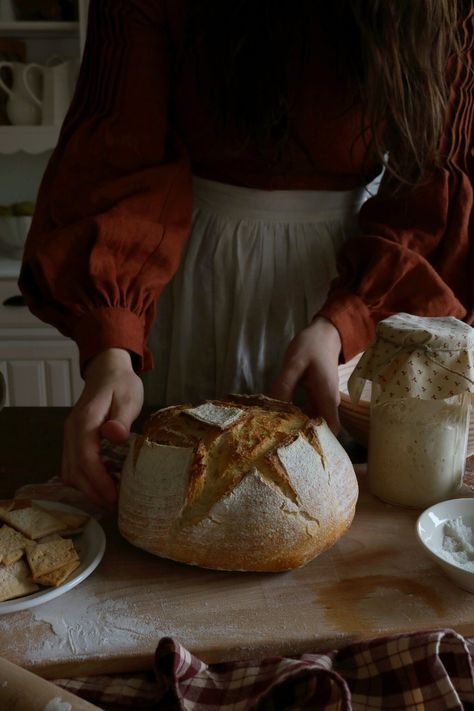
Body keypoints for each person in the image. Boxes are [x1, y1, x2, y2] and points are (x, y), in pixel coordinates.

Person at [18, 0, 473, 508]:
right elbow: (117, 156)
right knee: (186, 501)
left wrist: (346, 320)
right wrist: (112, 352)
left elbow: (433, 186)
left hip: (354, 278)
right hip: (190, 276)